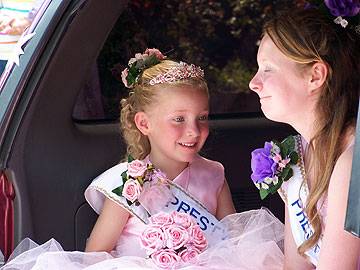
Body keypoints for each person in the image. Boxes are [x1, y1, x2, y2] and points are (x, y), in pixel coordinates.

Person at [1, 49, 284, 270]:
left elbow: (234, 241)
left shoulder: (213, 175)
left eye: (202, 118)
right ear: (144, 123)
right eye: (178, 119)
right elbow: (96, 256)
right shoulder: (128, 182)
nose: (193, 131)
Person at [249, 2, 360, 270]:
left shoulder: (352, 163)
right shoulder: (297, 155)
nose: (253, 83)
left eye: (267, 68)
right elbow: (296, 265)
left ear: (315, 76)